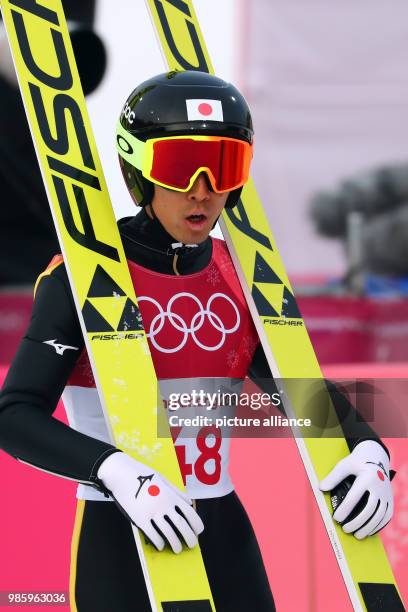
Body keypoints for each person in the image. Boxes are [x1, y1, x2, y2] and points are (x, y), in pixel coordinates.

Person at [0, 70, 395, 612]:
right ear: (138, 169)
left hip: (222, 527)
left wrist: (370, 448)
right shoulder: (83, 275)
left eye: (224, 166)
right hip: (122, 532)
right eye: (181, 167)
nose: (203, 190)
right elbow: (14, 414)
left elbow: (298, 390)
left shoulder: (238, 274)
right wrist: (116, 471)